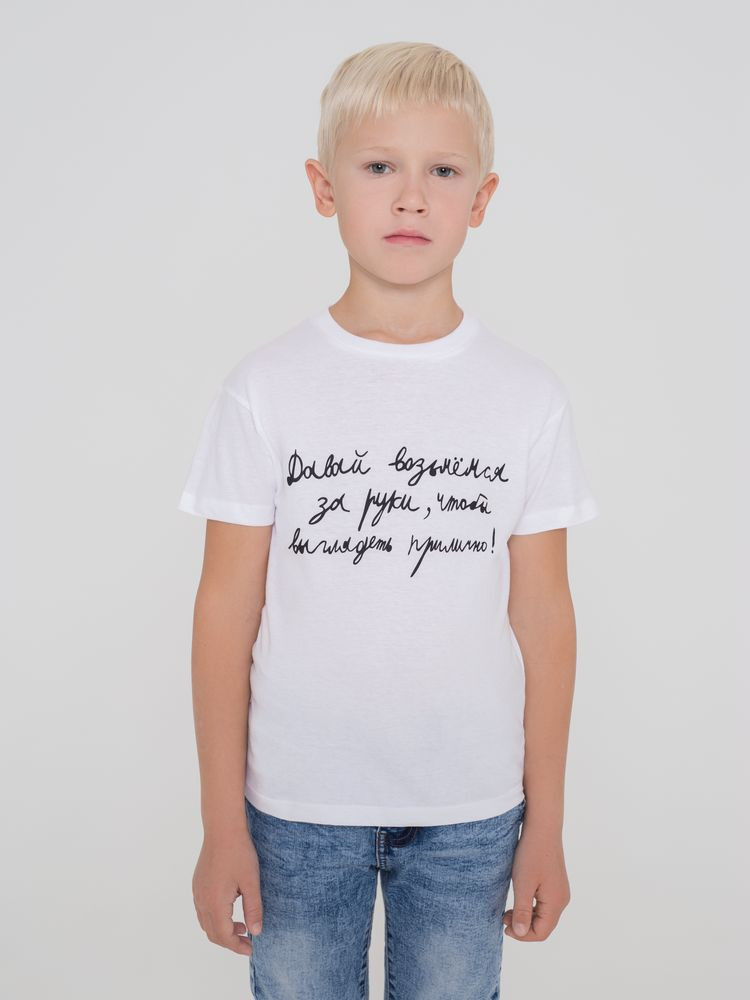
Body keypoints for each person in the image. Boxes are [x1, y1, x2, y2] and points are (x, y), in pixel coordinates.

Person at [178, 40, 600, 999]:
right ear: (324, 188)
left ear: (481, 198)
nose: (411, 198)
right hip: (295, 809)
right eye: (379, 167)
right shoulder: (265, 388)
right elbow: (224, 611)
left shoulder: (526, 397)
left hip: (471, 811)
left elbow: (545, 616)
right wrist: (220, 823)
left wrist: (548, 823)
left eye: (442, 171)